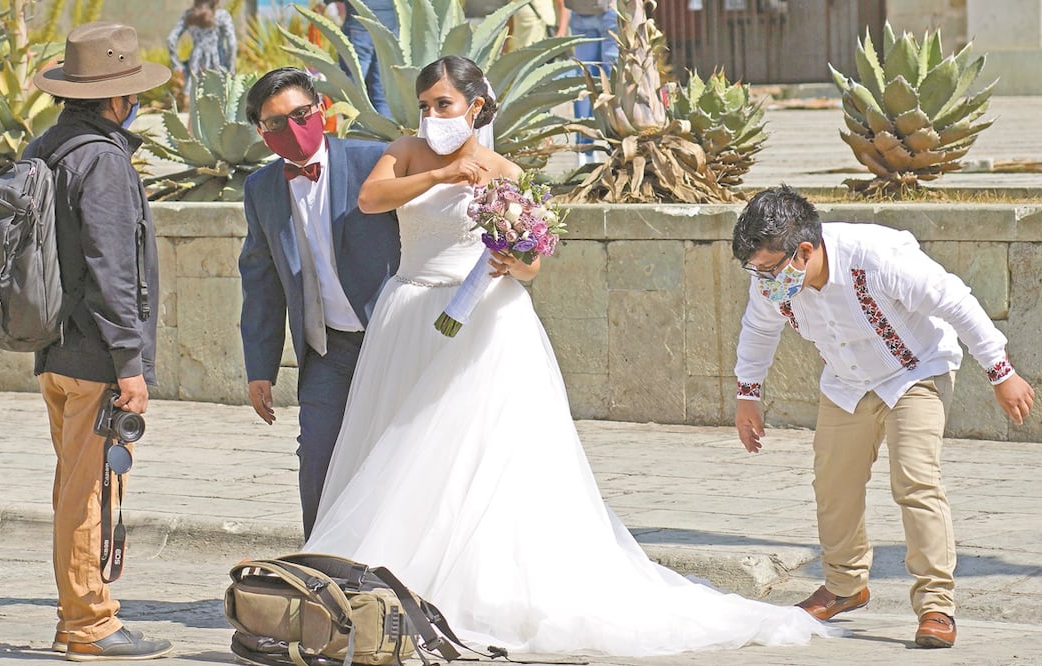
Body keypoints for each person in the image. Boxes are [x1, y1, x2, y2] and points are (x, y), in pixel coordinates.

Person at [301, 55, 838, 655]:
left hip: (485, 323)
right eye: (425, 106)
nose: (431, 116)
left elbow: (530, 262)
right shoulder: (404, 152)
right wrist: (440, 178)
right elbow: (372, 200)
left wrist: (513, 260)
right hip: (408, 315)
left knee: (468, 449)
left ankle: (473, 584)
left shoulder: (506, 170)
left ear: (475, 107)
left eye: (444, 105)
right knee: (396, 442)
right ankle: (385, 578)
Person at [731, 185, 1036, 649]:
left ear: (805, 251)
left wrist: (1001, 371)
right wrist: (747, 395)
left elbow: (955, 301)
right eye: (755, 270)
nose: (763, 280)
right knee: (833, 482)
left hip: (915, 371)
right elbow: (758, 329)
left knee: (915, 479)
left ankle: (936, 605)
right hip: (846, 383)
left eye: (769, 268)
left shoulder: (877, 257)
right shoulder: (772, 278)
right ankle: (844, 586)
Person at [28, 21, 173, 661]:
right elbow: (112, 269)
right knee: (89, 493)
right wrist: (130, 363)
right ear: (116, 100)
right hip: (95, 357)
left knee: (73, 484)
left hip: (53, 350)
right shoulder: (104, 159)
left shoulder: (45, 148)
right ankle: (90, 624)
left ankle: (75, 616)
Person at [238, 68, 400, 539]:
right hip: (326, 350)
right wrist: (260, 368)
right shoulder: (261, 189)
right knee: (318, 461)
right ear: (260, 133)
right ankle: (323, 571)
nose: (291, 127)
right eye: (274, 123)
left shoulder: (374, 161)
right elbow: (261, 281)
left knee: (397, 460)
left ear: (322, 108)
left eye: (300, 114)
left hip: (389, 340)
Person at [323, 0, 398, 117]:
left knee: (353, 90)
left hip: (359, 28)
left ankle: (356, 131)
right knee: (383, 93)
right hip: (389, 31)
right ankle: (385, 132)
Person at [565, 0, 617, 163]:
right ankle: (615, 144)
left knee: (584, 78)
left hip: (580, 12)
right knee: (611, 80)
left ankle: (584, 147)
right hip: (608, 11)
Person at [166, 0, 237, 98]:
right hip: (219, 64)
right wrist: (231, 68)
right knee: (221, 103)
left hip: (196, 65)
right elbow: (232, 43)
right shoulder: (222, 16)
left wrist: (177, 66)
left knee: (195, 101)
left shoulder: (189, 15)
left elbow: (171, 39)